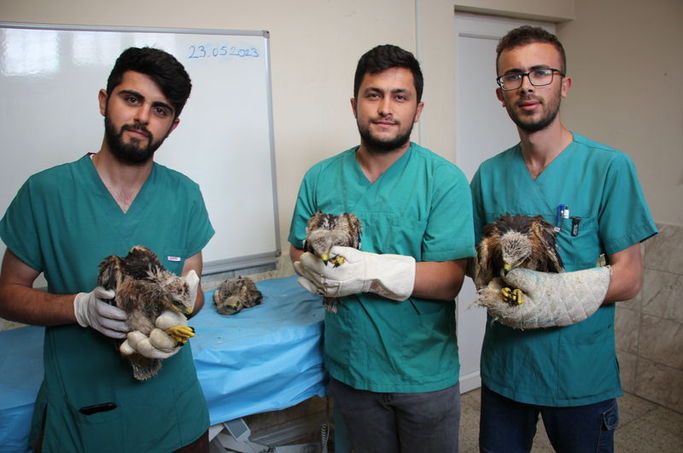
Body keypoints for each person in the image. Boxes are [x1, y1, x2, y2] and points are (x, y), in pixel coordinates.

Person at [0, 47, 214, 452]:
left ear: (173, 125)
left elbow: (195, 290)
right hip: (85, 416)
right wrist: (78, 308)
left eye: (160, 109)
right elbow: (7, 295)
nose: (143, 117)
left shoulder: (185, 195)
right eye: (132, 99)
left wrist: (183, 306)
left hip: (176, 416)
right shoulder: (46, 193)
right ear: (104, 101)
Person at [471, 26, 657, 452]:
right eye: (513, 76)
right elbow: (478, 267)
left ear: (564, 84)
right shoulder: (488, 175)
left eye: (541, 73)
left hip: (579, 374)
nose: (527, 86)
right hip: (506, 371)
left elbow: (629, 278)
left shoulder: (608, 168)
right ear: (501, 94)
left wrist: (548, 296)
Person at [289, 44, 475, 452]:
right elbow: (297, 250)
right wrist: (311, 266)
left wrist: (364, 272)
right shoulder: (320, 177)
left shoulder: (443, 181)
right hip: (351, 371)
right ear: (354, 105)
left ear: (418, 110)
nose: (385, 108)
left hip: (423, 375)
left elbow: (449, 280)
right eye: (373, 95)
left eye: (400, 97)